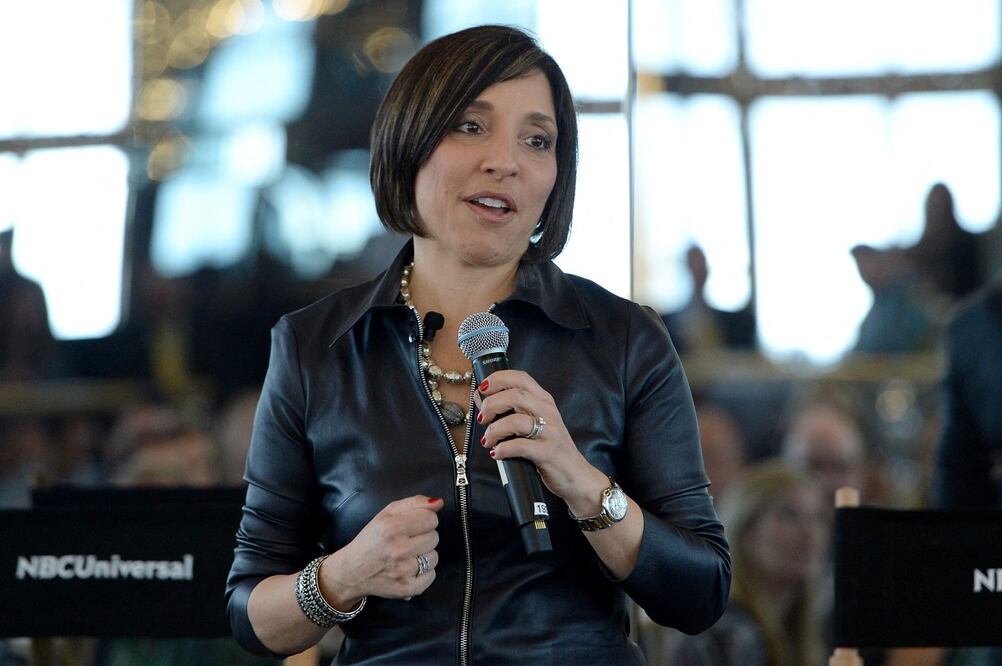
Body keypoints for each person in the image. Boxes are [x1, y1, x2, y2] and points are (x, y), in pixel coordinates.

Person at [225, 25, 730, 664]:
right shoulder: (315, 346)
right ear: (409, 143)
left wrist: (583, 485)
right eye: (471, 127)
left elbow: (700, 594)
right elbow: (251, 614)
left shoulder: (624, 340)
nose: (505, 161)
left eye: (537, 140)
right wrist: (343, 576)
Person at [668, 461, 827, 666]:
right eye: (789, 515)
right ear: (745, 531)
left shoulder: (802, 628)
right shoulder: (724, 630)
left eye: (818, 517)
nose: (810, 532)